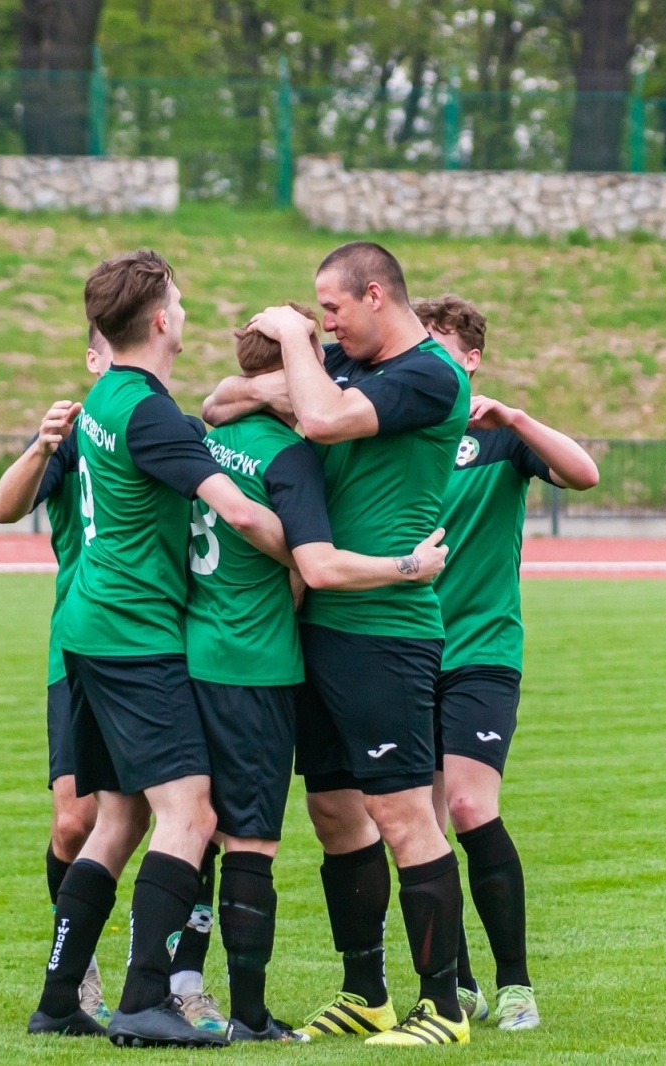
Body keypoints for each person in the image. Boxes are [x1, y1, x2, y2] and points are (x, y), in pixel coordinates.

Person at [206, 241, 474, 1047]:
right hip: (320, 626)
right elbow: (219, 403)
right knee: (333, 814)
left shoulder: (430, 375)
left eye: (329, 309)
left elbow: (317, 417)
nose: (322, 323)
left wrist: (293, 342)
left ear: (373, 296)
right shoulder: (345, 368)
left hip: (386, 630)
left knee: (400, 814)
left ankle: (446, 1007)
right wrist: (281, 369)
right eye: (315, 316)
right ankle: (366, 992)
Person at [25, 250, 291, 1049]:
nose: (184, 312)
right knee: (193, 811)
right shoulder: (150, 413)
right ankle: (145, 998)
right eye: (179, 301)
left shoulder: (109, 394)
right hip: (137, 637)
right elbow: (238, 513)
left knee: (120, 817)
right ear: (163, 320)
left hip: (90, 631)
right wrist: (306, 552)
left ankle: (59, 996)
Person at [414, 294, 599, 1032]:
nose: (424, 358)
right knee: (419, 824)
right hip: (406, 650)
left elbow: (584, 474)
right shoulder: (399, 435)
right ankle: (454, 985)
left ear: (471, 357)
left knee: (467, 806)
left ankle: (516, 984)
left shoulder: (499, 440)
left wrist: (516, 419)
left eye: (438, 345)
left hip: (482, 653)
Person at [0, 321, 114, 1027]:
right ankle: (80, 967)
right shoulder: (68, 439)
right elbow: (5, 507)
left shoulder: (156, 425)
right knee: (73, 824)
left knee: (181, 819)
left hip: (159, 650)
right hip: (74, 652)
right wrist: (39, 446)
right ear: (90, 357)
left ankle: (172, 976)